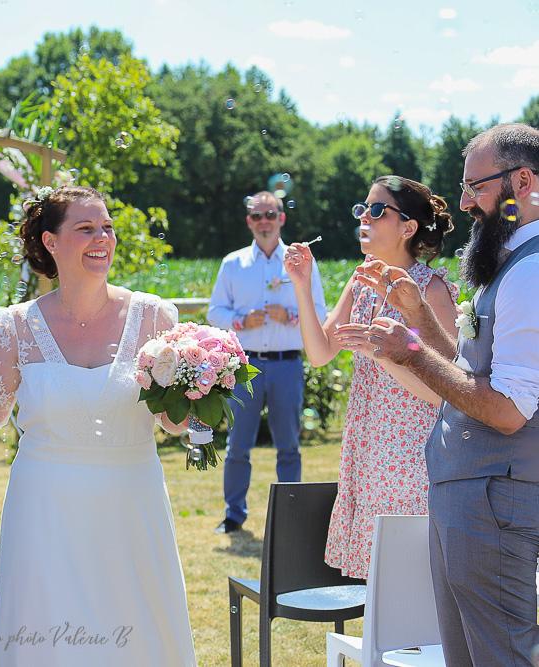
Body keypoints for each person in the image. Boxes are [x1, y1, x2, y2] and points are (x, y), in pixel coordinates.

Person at [0, 185, 196, 665]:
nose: (103, 238)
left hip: (130, 502)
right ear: (51, 242)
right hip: (44, 508)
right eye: (86, 228)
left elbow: (173, 422)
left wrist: (203, 395)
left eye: (107, 228)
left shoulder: (154, 317)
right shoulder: (16, 326)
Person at [344, 123, 539, 666]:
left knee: (498, 657)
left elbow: (507, 410)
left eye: (476, 186)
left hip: (491, 501)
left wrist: (408, 353)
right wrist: (419, 319)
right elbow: (469, 366)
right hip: (469, 496)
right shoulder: (511, 265)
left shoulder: (531, 272)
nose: (463, 202)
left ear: (522, 181)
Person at [285, 176, 458, 579]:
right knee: (381, 582)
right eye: (363, 208)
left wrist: (381, 353)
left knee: (412, 578)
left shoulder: (430, 290)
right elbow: (320, 351)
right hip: (368, 447)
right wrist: (302, 285)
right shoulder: (362, 278)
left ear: (408, 227)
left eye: (377, 210)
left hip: (412, 454)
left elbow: (447, 391)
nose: (364, 216)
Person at [206, 191, 326, 534]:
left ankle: (290, 516)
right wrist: (242, 321)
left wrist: (291, 315)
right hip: (244, 366)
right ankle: (233, 515)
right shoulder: (233, 263)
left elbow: (320, 312)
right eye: (257, 216)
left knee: (288, 444)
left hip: (287, 364)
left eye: (270, 215)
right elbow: (216, 312)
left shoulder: (300, 261)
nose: (264, 222)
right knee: (238, 445)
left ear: (281, 219)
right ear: (249, 221)